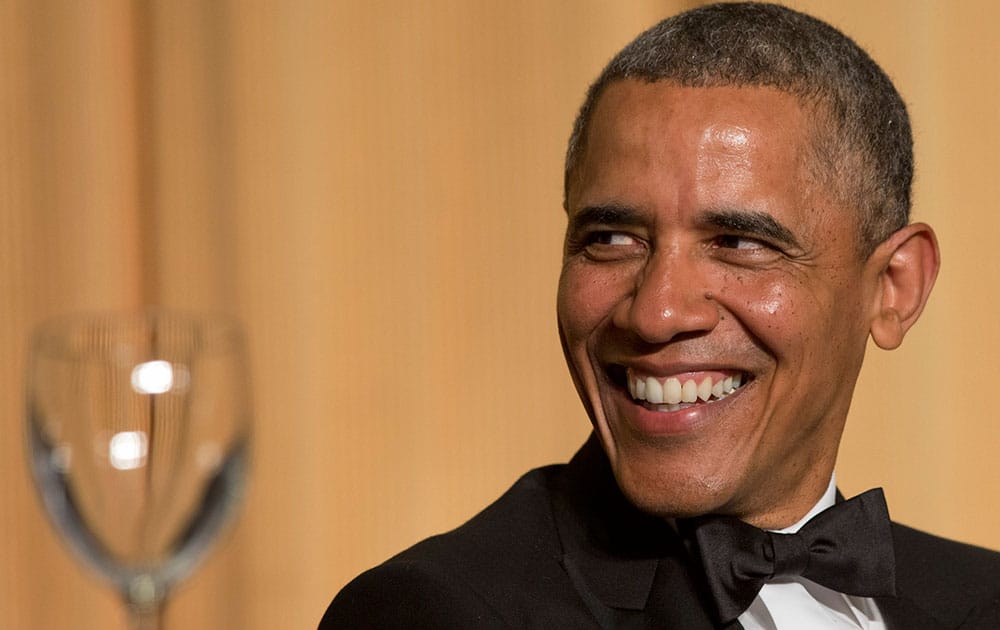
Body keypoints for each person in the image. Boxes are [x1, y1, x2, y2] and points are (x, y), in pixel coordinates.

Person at [319, 3, 1000, 628]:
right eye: (611, 240)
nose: (656, 312)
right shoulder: (434, 613)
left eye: (738, 243)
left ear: (893, 288)